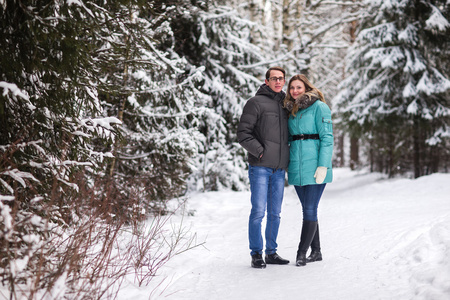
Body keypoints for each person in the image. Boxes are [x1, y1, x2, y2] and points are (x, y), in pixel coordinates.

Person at [237, 66, 290, 269]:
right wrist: (260, 152)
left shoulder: (286, 105)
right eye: (274, 78)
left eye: (281, 78)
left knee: (275, 213)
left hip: (279, 169)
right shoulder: (255, 103)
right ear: (266, 81)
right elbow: (243, 133)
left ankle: (271, 253)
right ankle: (256, 254)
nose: (278, 82)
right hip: (260, 166)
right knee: (259, 211)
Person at [283, 74, 333, 267]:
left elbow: (327, 138)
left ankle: (301, 253)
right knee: (308, 210)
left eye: (299, 87)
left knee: (310, 209)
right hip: (297, 167)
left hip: (315, 167)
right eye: (292, 88)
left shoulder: (319, 107)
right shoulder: (291, 111)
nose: (295, 91)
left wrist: (323, 165)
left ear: (306, 88)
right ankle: (317, 251)